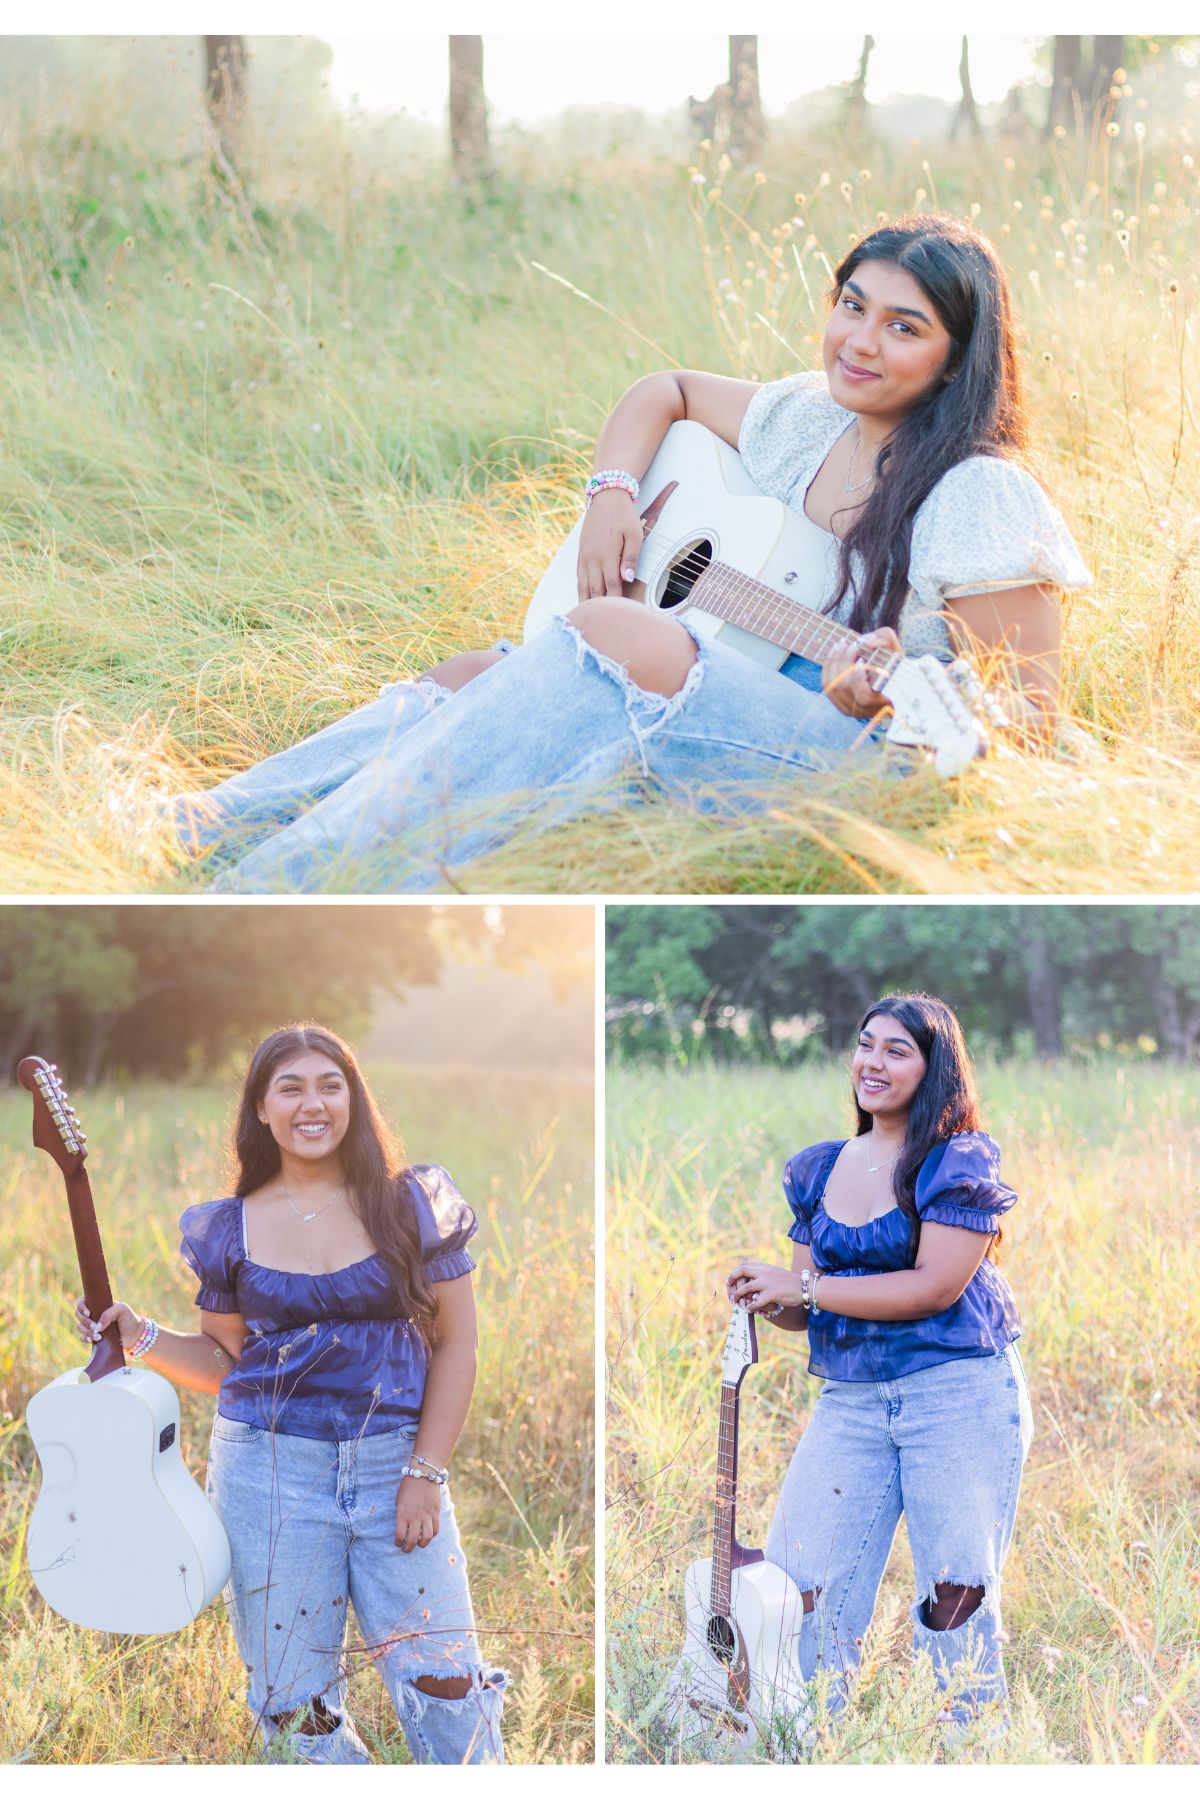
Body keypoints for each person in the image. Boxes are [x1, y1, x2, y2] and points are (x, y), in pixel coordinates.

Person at [175, 214, 1090, 893]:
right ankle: (207, 826)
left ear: (957, 356)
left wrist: (879, 698)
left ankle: (292, 881)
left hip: (875, 765)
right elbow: (669, 388)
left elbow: (1029, 727)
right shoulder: (809, 416)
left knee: (612, 631)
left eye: (904, 326)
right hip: (757, 680)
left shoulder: (979, 491)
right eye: (853, 306)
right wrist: (612, 495)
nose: (858, 341)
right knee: (474, 673)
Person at [75, 1024, 506, 1765]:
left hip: (391, 1466)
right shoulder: (230, 1227)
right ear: (262, 1110)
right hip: (269, 1473)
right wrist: (139, 1334)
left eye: (330, 1085)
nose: (314, 1104)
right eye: (291, 1087)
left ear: (354, 1099)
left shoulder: (409, 1204)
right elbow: (224, 1362)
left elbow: (457, 1344)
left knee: (445, 1679)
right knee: (294, 1706)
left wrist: (424, 1472)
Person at [725, 993, 1033, 1733]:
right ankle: (809, 1743)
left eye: (898, 1050)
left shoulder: (955, 1161)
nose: (873, 1062)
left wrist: (803, 1284)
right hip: (854, 1402)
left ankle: (970, 1747)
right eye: (866, 1044)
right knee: (801, 1586)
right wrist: (769, 1293)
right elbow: (809, 1308)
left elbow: (934, 1286)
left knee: (955, 1590)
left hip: (958, 1392)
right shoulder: (820, 1168)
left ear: (934, 1070)